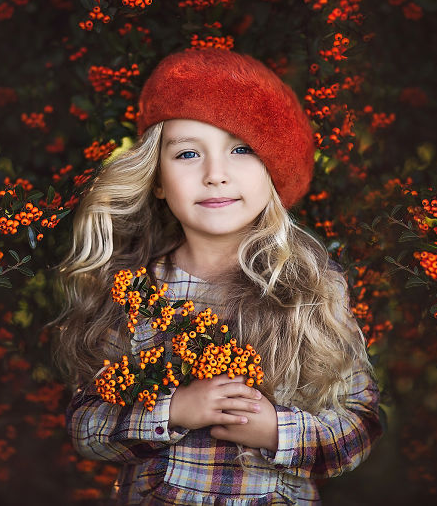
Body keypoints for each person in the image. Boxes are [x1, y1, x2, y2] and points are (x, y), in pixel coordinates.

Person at [55, 48, 382, 504]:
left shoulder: (310, 291)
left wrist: (277, 433)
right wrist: (174, 410)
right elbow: (85, 427)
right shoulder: (135, 293)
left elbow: (360, 424)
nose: (215, 175)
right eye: (188, 153)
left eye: (241, 150)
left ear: (274, 171)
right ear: (157, 179)